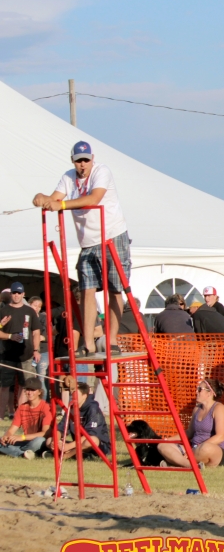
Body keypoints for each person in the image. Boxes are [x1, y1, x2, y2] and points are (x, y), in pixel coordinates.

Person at [32, 141, 131, 356]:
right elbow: (55, 198)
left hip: (112, 236)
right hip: (88, 242)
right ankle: (88, 344)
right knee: (86, 291)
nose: (82, 164)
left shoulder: (101, 171)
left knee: (115, 289)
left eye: (86, 160)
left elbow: (94, 197)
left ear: (92, 159)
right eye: (78, 160)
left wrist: (62, 205)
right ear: (73, 161)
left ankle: (112, 340)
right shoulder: (69, 176)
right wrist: (42, 198)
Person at [157, 378, 224, 467]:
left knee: (205, 448)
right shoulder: (196, 409)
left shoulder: (219, 408)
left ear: (209, 393)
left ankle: (177, 462)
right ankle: (190, 465)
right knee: (162, 445)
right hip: (193, 449)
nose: (196, 392)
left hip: (217, 450)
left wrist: (197, 448)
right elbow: (189, 433)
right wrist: (167, 440)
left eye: (199, 389)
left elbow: (220, 437)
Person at [0, 281, 41, 409]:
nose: (16, 295)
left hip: (26, 355)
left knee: (26, 386)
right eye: (14, 293)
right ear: (11, 294)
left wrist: (36, 350)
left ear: (23, 294)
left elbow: (36, 332)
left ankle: (20, 413)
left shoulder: (30, 311)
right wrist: (9, 335)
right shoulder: (3, 310)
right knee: (4, 386)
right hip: (7, 355)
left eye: (19, 293)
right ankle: (1, 416)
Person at [48, 382, 110, 461]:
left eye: (75, 394)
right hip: (77, 444)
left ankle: (67, 456)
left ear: (84, 396)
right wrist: (55, 441)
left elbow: (90, 434)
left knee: (91, 440)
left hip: (98, 446)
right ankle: (78, 454)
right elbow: (60, 428)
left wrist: (68, 446)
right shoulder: (72, 408)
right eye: (71, 393)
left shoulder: (93, 408)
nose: (72, 396)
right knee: (49, 440)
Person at [0, 378, 51, 459]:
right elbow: (11, 430)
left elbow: (45, 433)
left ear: (39, 392)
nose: (29, 393)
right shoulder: (22, 407)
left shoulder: (46, 407)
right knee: (1, 441)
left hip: (41, 442)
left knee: (39, 440)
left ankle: (19, 453)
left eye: (33, 390)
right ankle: (25, 454)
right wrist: (6, 437)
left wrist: (22, 437)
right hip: (26, 441)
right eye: (27, 390)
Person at [28, 296, 49, 401]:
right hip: (28, 352)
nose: (36, 308)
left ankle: (43, 404)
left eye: (39, 306)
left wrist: (43, 337)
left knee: (40, 379)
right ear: (29, 305)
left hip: (43, 351)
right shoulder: (26, 317)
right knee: (30, 379)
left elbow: (52, 335)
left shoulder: (44, 318)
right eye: (34, 305)